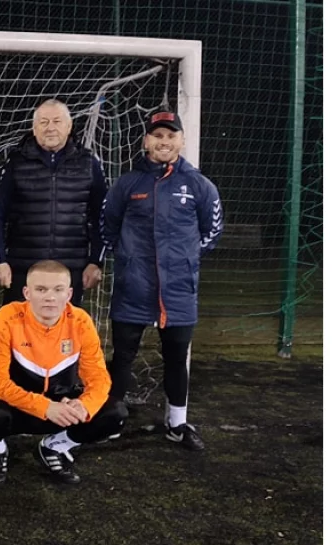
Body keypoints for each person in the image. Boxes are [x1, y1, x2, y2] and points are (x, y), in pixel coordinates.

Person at [101, 110, 224, 452]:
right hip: (133, 287)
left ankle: (177, 423)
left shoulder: (199, 185)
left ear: (181, 141)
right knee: (122, 356)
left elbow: (212, 231)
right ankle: (111, 420)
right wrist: (127, 259)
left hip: (178, 291)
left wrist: (183, 260)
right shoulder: (127, 184)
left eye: (171, 136)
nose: (164, 142)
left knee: (176, 357)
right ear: (146, 141)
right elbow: (107, 226)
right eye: (157, 136)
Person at [0, 260, 128, 485]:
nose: (50, 297)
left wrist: (84, 405)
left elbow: (98, 377)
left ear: (69, 294)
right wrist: (44, 407)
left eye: (58, 290)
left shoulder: (81, 321)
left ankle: (55, 446)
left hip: (62, 405)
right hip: (19, 406)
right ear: (27, 293)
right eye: (41, 290)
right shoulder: (7, 317)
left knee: (115, 413)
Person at [0, 98, 107, 307]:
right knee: (20, 326)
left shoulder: (89, 163)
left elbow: (102, 217)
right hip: (23, 269)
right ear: (34, 129)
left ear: (69, 126)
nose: (50, 128)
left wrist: (95, 261)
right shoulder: (16, 162)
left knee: (65, 327)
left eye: (57, 121)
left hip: (71, 269)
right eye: (43, 122)